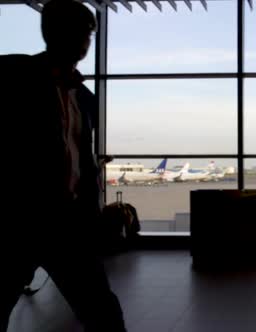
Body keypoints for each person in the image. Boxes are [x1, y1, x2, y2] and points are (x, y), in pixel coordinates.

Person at [0, 0, 126, 331]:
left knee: (102, 311)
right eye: (81, 31)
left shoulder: (83, 96)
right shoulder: (12, 75)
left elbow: (80, 159)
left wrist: (91, 214)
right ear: (51, 32)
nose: (85, 40)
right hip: (17, 219)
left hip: (67, 223)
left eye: (88, 32)